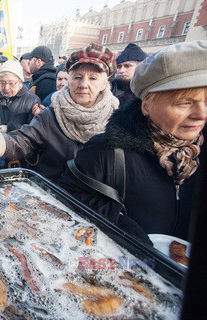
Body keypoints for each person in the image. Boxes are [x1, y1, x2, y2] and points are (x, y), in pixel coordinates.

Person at [59, 41, 207, 244]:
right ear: (147, 105)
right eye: (184, 103)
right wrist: (116, 222)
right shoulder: (107, 151)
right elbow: (69, 197)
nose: (201, 115)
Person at [0, 43, 118, 182]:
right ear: (69, 80)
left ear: (104, 83)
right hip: (54, 196)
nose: (84, 84)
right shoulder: (50, 116)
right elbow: (23, 139)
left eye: (93, 78)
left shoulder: (118, 120)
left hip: (96, 206)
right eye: (78, 77)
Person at [0, 60, 39, 133]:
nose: (6, 87)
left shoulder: (32, 100)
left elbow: (34, 130)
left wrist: (9, 128)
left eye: (11, 83)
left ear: (20, 81)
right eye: (2, 83)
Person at [111, 42, 147, 107]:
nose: (121, 71)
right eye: (119, 67)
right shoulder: (109, 91)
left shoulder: (148, 94)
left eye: (127, 66)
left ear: (140, 67)